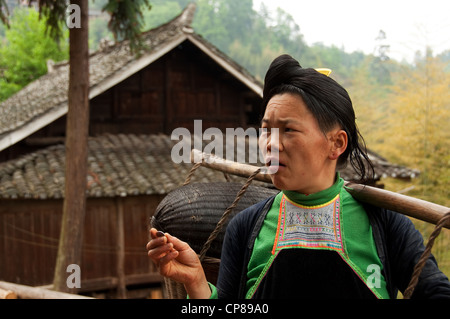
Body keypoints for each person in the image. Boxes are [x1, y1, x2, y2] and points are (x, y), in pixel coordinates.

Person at [147, 54, 450, 299]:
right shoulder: (246, 227)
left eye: (288, 130)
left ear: (336, 143)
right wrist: (196, 281)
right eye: (266, 129)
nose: (271, 144)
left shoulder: (385, 223)